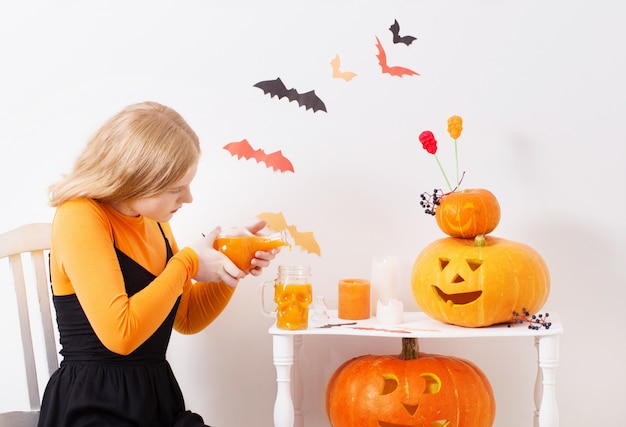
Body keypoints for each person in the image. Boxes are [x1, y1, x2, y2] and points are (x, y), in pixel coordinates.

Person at [38, 101, 278, 426]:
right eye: (175, 189)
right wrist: (187, 263)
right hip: (95, 405)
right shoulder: (79, 216)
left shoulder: (155, 220)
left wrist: (229, 264)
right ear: (133, 180)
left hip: (155, 400)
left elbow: (187, 317)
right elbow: (121, 335)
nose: (188, 198)